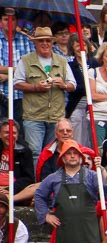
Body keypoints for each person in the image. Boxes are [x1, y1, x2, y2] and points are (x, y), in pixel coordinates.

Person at [34, 140, 107, 243]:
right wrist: (45, 215)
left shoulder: (91, 175)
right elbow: (39, 195)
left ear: (80, 157)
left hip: (89, 233)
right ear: (63, 157)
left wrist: (100, 168)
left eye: (75, 153)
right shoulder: (53, 178)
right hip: (65, 233)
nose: (72, 156)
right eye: (68, 153)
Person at [13, 27, 76, 156]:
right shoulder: (25, 60)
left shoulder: (62, 61)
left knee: (54, 152)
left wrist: (63, 85)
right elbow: (17, 83)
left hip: (56, 117)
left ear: (52, 42)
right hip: (33, 116)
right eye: (41, 41)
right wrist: (36, 87)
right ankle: (36, 177)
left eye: (48, 40)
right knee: (35, 152)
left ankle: (51, 177)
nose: (45, 44)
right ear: (35, 43)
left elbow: (73, 85)